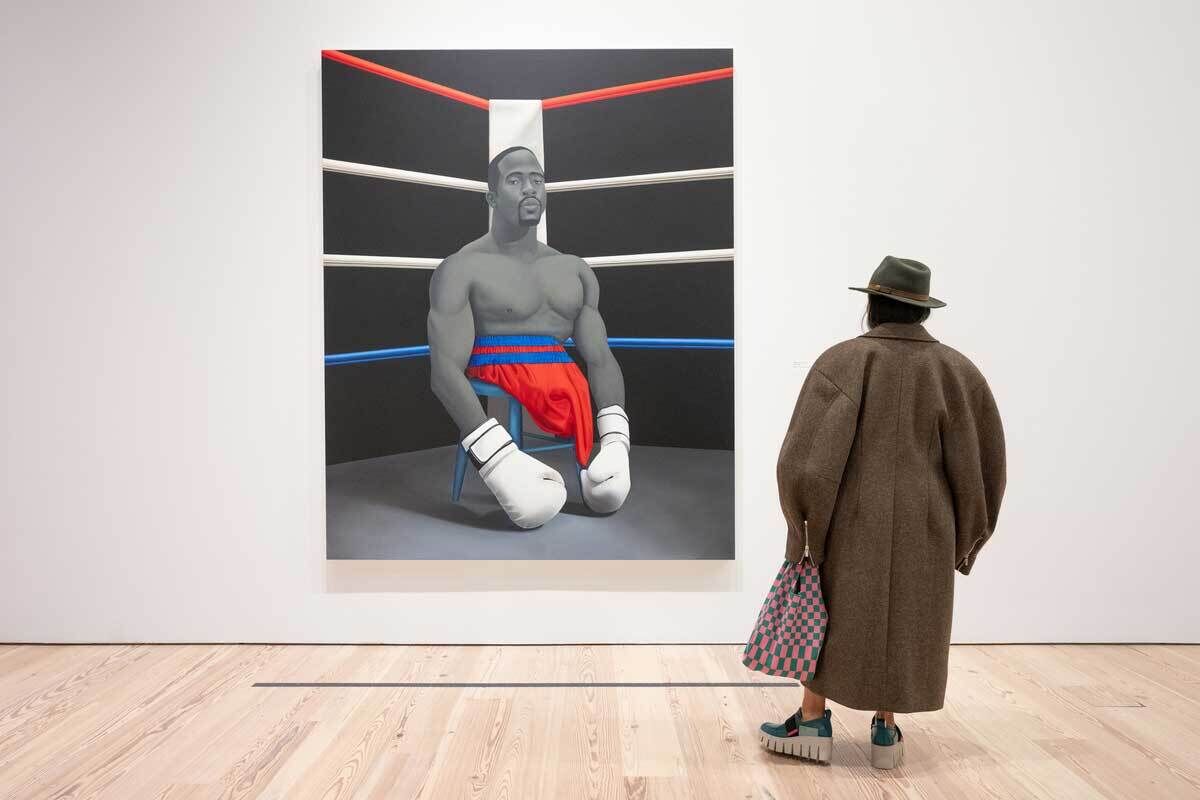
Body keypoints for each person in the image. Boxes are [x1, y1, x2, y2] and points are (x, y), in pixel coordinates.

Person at [756, 256, 1007, 769]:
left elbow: (805, 459)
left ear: (871, 306)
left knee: (829, 612)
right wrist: (967, 537)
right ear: (923, 312)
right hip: (927, 524)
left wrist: (803, 528)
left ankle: (811, 720)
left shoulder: (842, 362)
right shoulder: (959, 373)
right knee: (905, 616)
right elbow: (982, 464)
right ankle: (887, 731)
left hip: (850, 518)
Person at [427, 146, 631, 529]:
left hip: (564, 378)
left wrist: (617, 440)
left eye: (537, 180)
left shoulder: (573, 269)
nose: (530, 189)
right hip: (496, 368)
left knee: (607, 494)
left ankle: (597, 465)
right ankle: (508, 460)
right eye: (515, 180)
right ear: (491, 197)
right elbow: (443, 371)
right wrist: (497, 459)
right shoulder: (461, 268)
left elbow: (600, 357)